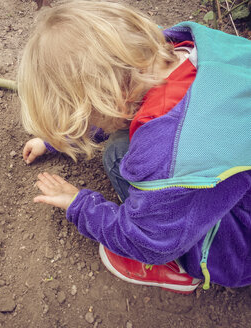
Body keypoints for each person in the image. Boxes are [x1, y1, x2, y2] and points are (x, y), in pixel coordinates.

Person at [17, 0, 251, 294]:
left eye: (86, 118)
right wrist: (57, 140)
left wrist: (78, 203)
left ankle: (178, 266)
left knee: (118, 155)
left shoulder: (166, 159)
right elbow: (121, 103)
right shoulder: (185, 48)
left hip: (240, 253)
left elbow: (144, 239)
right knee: (120, 143)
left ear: (113, 100)